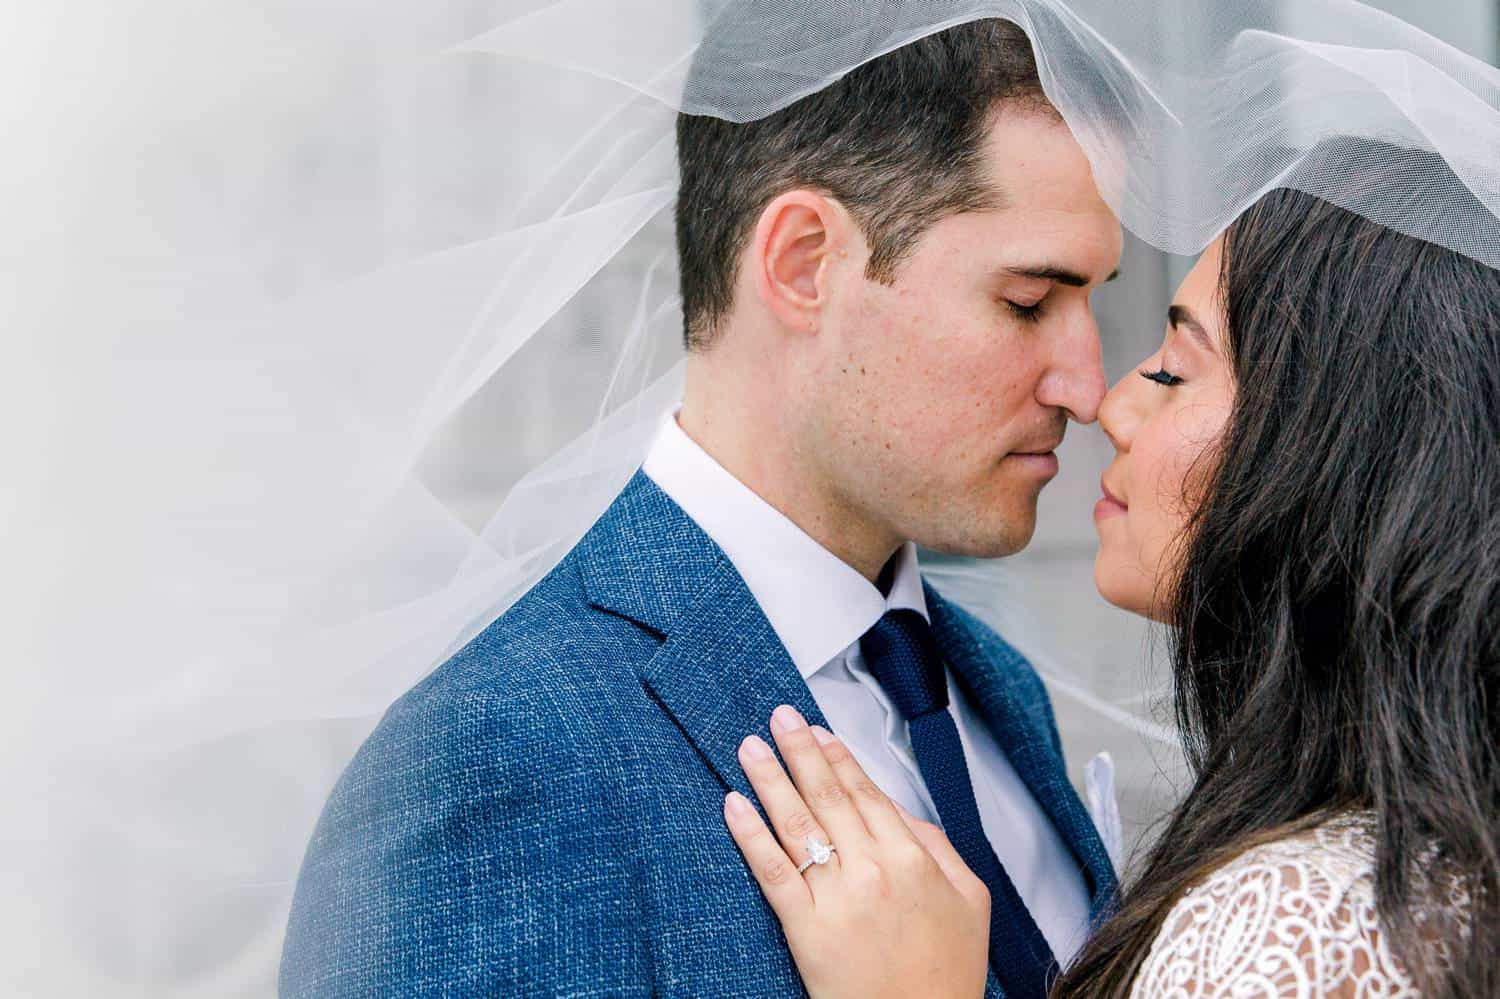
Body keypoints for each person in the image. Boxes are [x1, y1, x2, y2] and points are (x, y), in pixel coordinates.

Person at [279, 20, 1123, 997]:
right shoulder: (496, 749)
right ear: (805, 262)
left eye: (1092, 300)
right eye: (1027, 301)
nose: (1088, 385)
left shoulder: (997, 689)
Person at [722, 164, 1499, 997]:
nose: (1105, 400)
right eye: (1026, 302)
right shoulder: (1426, 858)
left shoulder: (1296, 921)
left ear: (1337, 455)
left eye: (1172, 370)